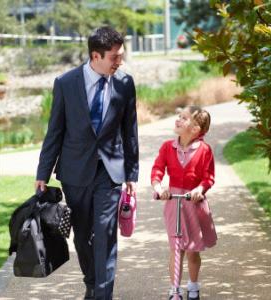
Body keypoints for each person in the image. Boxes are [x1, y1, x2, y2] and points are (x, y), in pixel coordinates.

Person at [35, 26, 139, 300]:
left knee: (105, 235)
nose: (120, 62)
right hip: (75, 172)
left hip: (110, 172)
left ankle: (103, 294)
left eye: (121, 56)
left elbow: (130, 130)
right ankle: (91, 282)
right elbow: (55, 131)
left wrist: (131, 173)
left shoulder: (125, 84)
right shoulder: (65, 83)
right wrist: (43, 172)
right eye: (114, 57)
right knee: (81, 236)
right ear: (96, 56)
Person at [151, 106, 217, 300]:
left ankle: (194, 285)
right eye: (178, 116)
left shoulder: (204, 150)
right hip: (173, 203)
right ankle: (174, 289)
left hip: (193, 204)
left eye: (184, 118)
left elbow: (209, 177)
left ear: (195, 128)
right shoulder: (167, 147)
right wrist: (158, 187)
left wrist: (199, 189)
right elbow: (157, 170)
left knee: (192, 250)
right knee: (175, 247)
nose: (178, 120)